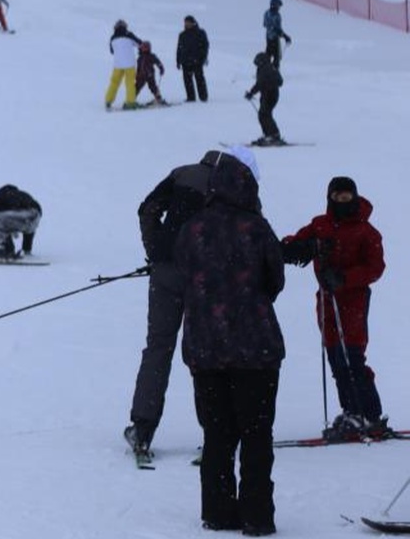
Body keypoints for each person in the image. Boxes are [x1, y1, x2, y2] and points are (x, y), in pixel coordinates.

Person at [174, 152, 284, 537]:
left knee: (217, 435)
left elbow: (182, 276)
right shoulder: (256, 227)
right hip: (256, 350)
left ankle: (218, 511)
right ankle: (256, 515)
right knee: (256, 434)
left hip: (205, 350)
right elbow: (275, 281)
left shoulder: (191, 229)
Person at [127, 147, 259, 457]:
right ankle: (215, 431)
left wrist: (157, 250)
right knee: (208, 352)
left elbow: (147, 209)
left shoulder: (181, 173)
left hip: (167, 273)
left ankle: (143, 427)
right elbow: (252, 232)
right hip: (210, 279)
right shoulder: (237, 183)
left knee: (158, 347)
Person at [281, 177, 386, 440]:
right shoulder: (321, 224)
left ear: (355, 197)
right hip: (327, 301)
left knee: (352, 356)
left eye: (347, 197)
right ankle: (350, 411)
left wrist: (345, 278)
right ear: (330, 198)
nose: (343, 201)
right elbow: (292, 243)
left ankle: (370, 415)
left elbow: (375, 268)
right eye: (338, 197)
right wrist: (304, 247)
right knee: (335, 356)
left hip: (354, 299)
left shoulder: (366, 231)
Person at [244, 52, 284, 146]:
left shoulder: (265, 69)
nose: (256, 65)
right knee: (264, 114)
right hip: (271, 94)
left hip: (269, 95)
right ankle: (270, 134)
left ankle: (273, 135)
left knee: (264, 114)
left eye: (257, 62)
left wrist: (251, 93)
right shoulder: (270, 67)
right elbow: (279, 81)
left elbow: (260, 84)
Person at [105, 19, 142, 110]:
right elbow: (139, 43)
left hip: (118, 64)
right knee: (129, 83)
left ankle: (108, 100)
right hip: (129, 64)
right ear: (125, 27)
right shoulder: (129, 35)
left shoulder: (113, 38)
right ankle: (130, 102)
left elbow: (112, 51)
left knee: (114, 82)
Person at [176, 15, 210, 102]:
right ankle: (190, 97)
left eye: (188, 22)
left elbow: (205, 46)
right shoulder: (182, 35)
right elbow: (179, 48)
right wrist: (178, 61)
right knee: (187, 81)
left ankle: (203, 97)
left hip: (197, 61)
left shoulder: (200, 32)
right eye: (185, 22)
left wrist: (203, 57)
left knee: (199, 79)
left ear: (193, 22)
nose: (186, 24)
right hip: (185, 61)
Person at [262, 0, 291, 69]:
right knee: (272, 55)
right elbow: (266, 24)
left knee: (273, 55)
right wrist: (283, 35)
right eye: (278, 6)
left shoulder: (276, 14)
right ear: (274, 5)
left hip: (273, 37)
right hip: (271, 38)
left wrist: (284, 35)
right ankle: (269, 71)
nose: (279, 8)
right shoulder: (269, 14)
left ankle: (270, 70)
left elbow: (278, 28)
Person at [135, 41, 166, 105]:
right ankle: (131, 99)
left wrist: (161, 68)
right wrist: (137, 75)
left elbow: (158, 62)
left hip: (150, 75)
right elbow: (138, 67)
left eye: (146, 47)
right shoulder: (140, 58)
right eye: (143, 47)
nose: (145, 49)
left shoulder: (151, 56)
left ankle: (158, 98)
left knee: (153, 87)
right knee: (137, 87)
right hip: (141, 76)